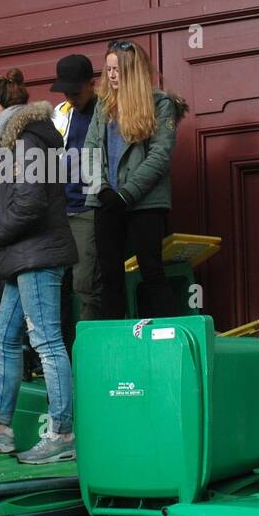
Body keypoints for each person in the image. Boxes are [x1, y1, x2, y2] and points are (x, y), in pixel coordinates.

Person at [0, 69, 79, 464]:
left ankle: (63, 434)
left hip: (35, 255)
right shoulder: (24, 138)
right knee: (6, 337)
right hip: (23, 256)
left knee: (46, 341)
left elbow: (28, 203)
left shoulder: (25, 140)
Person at [84, 40, 187, 320]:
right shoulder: (103, 106)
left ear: (132, 71)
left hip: (144, 201)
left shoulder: (160, 104)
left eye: (117, 69)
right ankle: (114, 341)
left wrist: (126, 194)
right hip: (106, 200)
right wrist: (102, 189)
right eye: (108, 70)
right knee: (109, 274)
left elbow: (159, 156)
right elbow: (90, 150)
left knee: (151, 269)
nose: (112, 75)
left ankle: (168, 337)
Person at [50, 53, 102, 353]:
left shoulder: (106, 112)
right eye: (65, 91)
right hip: (59, 209)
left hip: (87, 208)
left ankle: (87, 356)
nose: (70, 96)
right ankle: (61, 359)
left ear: (91, 84)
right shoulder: (61, 111)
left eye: (76, 90)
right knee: (56, 287)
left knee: (85, 285)